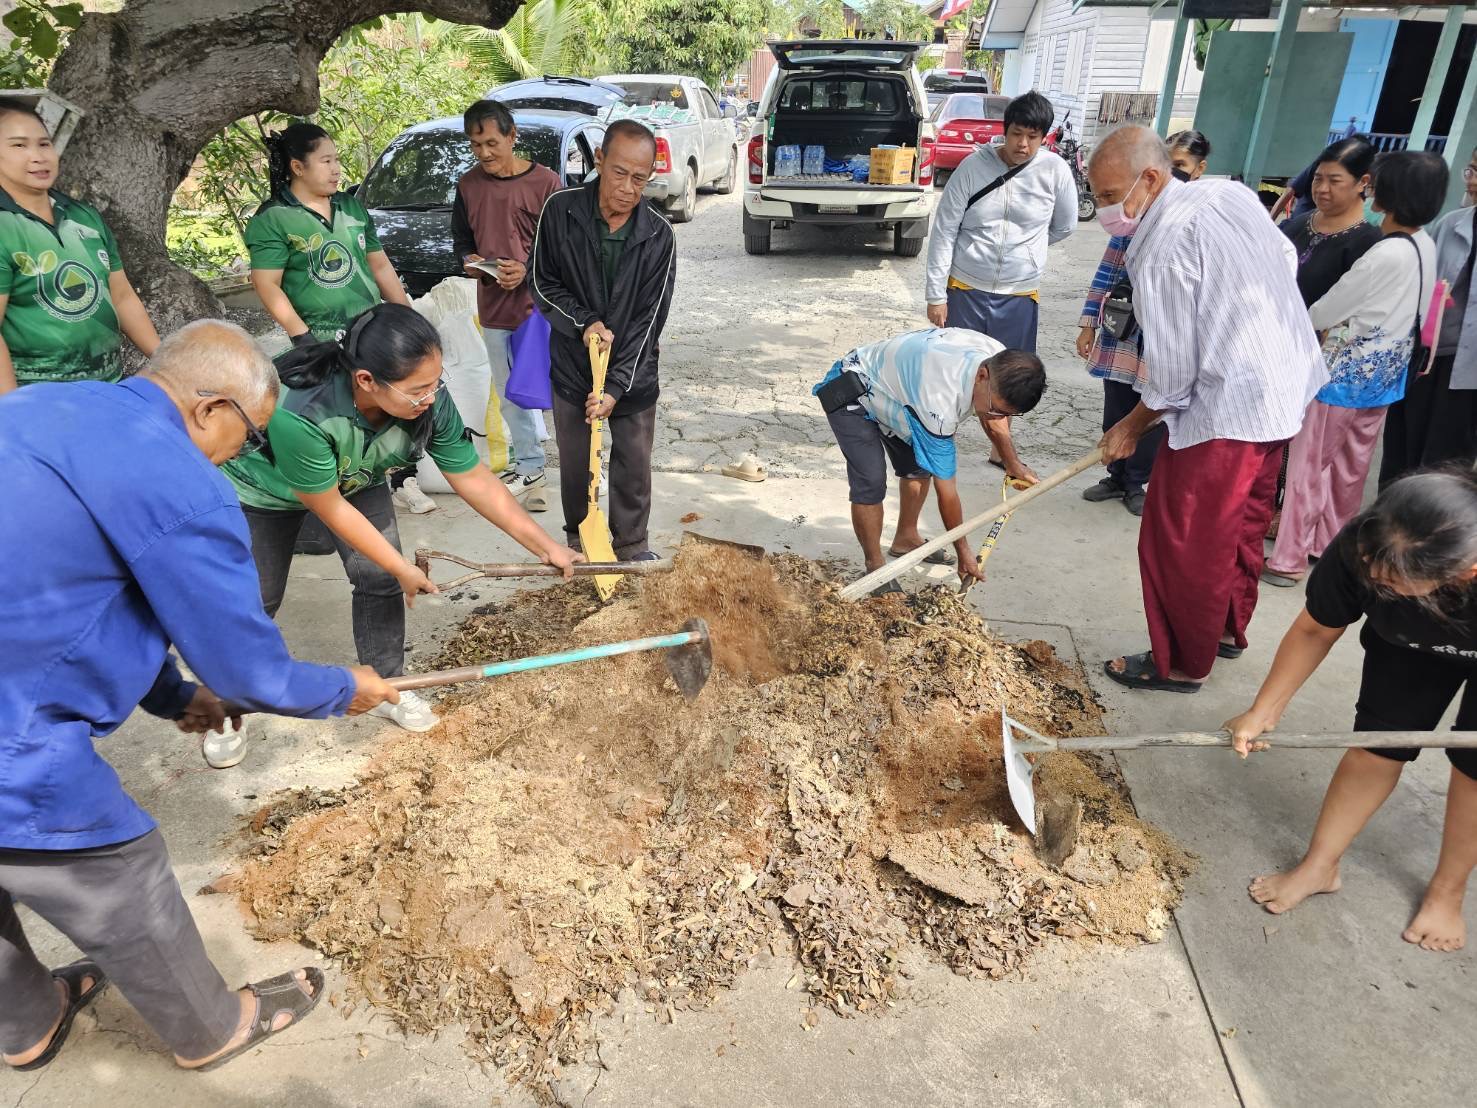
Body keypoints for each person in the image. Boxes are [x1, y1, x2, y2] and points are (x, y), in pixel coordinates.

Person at [0, 320, 399, 1072]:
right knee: (114, 870)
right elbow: (253, 673)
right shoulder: (179, 480)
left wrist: (173, 697)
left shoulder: (42, 407)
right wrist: (346, 686)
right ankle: (211, 1028)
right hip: (9, 730)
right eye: (249, 438)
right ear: (209, 408)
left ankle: (27, 1022)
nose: (243, 455)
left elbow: (79, 589)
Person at [224, 303, 580, 734]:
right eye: (418, 389)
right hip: (266, 491)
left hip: (357, 476)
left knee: (379, 578)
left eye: (435, 383)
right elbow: (329, 506)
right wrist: (402, 565)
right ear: (366, 381)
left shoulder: (426, 401)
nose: (430, 397)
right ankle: (228, 701)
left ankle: (389, 684)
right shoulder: (304, 410)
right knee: (258, 597)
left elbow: (473, 478)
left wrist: (547, 546)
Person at [1086, 125, 1326, 693]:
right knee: (1241, 523)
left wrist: (1131, 425)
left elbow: (1171, 377)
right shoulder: (1228, 193)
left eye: (1106, 195)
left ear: (1150, 177)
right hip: (1285, 385)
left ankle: (1181, 662)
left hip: (1227, 411)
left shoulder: (1160, 249)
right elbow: (1284, 255)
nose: (1103, 211)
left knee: (1182, 538)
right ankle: (1223, 631)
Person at [1225, 470, 1477, 953]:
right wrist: (1264, 709)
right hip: (1408, 642)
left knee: (1475, 769)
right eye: (1371, 570)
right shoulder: (1367, 542)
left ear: (1464, 572)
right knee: (1377, 745)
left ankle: (1448, 890)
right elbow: (1316, 629)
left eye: (1392, 581)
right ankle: (1321, 865)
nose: (1374, 578)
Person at [1264, 152, 1445, 586]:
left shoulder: (1383, 254)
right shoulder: (1425, 245)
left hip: (1340, 381)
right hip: (1384, 379)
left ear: (1390, 195)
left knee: (1309, 468)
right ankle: (1328, 546)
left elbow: (1324, 311)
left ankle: (1287, 558)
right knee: (1350, 470)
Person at [243, 123, 433, 517]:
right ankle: (317, 502)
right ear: (297, 166)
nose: (336, 169)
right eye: (326, 161)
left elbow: (379, 265)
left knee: (391, 404)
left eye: (337, 160)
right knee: (333, 421)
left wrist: (405, 319)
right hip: (323, 343)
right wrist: (302, 337)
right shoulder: (274, 218)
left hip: (371, 336)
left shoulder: (350, 207)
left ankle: (401, 480)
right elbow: (267, 285)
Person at [531, 119, 676, 562]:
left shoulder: (659, 236)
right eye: (619, 173)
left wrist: (614, 387)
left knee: (633, 463)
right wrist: (584, 322)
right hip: (574, 368)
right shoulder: (560, 211)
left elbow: (648, 321)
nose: (628, 188)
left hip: (632, 374)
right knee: (576, 463)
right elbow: (542, 283)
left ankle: (632, 547)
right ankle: (579, 539)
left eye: (640, 178)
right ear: (599, 160)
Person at [813, 327, 1046, 590]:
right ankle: (875, 569)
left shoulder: (999, 360)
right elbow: (947, 492)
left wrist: (1012, 462)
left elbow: (995, 419)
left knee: (918, 467)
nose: (995, 416)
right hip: (852, 392)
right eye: (995, 408)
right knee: (871, 480)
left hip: (899, 395)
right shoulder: (939, 398)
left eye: (1005, 413)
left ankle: (906, 538)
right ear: (982, 376)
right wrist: (964, 553)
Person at [924, 90, 1077, 485]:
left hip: (1019, 294)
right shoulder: (973, 168)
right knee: (958, 368)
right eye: (1015, 134)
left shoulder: (1055, 172)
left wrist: (1028, 254)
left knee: (1010, 375)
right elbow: (944, 230)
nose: (1022, 144)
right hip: (965, 287)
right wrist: (936, 294)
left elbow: (1064, 226)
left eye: (1032, 136)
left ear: (1045, 136)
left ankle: (999, 448)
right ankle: (943, 436)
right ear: (1003, 131)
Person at [1076, 130, 1210, 517]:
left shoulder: (1188, 223)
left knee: (1152, 409)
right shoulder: (1132, 213)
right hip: (1122, 331)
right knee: (1117, 404)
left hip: (1160, 342)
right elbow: (1106, 271)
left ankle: (1137, 480)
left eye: (1181, 167)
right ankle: (1115, 476)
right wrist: (1089, 321)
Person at [0, 97, 158, 391]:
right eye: (19, 145)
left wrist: (165, 361)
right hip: (39, 396)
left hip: (107, 385)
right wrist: (12, 416)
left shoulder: (83, 216)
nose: (38, 156)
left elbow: (121, 296)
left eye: (44, 144)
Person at [452, 99, 561, 508]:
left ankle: (587, 463)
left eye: (492, 143)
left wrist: (527, 270)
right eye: (475, 145)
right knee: (510, 393)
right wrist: (472, 263)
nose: (484, 153)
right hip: (495, 309)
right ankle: (531, 467)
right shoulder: (468, 186)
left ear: (513, 136)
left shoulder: (546, 183)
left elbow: (565, 248)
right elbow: (462, 242)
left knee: (560, 389)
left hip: (545, 310)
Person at [1381, 145, 1477, 479]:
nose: (1471, 181)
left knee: (1448, 464)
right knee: (1403, 452)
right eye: (1470, 170)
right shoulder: (1449, 226)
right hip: (1428, 359)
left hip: (1471, 375)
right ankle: (1387, 524)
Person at [1278, 137, 1382, 311]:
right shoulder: (1299, 223)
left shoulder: (1368, 242)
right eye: (1318, 179)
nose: (1321, 189)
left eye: (1334, 181)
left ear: (1362, 182)